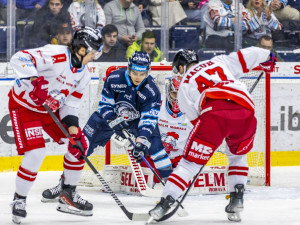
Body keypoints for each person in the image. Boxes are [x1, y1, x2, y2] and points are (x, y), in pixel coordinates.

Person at [148, 47, 277, 222]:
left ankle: (164, 204)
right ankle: (236, 199)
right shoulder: (219, 61)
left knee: (189, 164)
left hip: (213, 116)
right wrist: (268, 58)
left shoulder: (185, 83)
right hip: (246, 111)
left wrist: (212, 140)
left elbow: (196, 121)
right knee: (237, 156)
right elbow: (250, 54)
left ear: (180, 68)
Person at [41, 51, 173, 201]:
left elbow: (149, 118)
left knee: (157, 149)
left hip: (136, 121)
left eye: (142, 74)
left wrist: (141, 141)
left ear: (148, 72)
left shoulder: (152, 90)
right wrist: (113, 120)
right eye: (135, 72)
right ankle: (64, 185)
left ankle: (171, 188)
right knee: (81, 147)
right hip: (107, 118)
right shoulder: (115, 78)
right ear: (129, 68)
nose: (137, 77)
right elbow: (104, 105)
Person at [8, 26, 102, 224]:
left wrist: (74, 133)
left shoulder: (83, 75)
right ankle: (19, 200)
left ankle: (68, 193)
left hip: (51, 111)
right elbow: (19, 57)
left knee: (80, 145)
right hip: (25, 106)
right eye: (94, 51)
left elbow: (70, 107)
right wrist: (34, 81)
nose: (96, 56)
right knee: (36, 153)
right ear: (82, 49)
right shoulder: (55, 55)